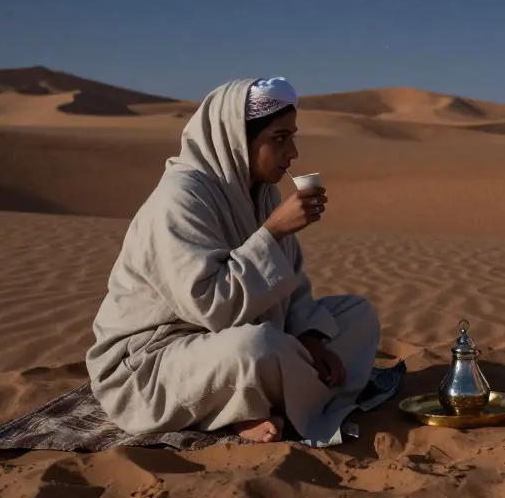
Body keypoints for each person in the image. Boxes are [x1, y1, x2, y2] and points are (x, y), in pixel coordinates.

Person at [85, 77, 381, 446]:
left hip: (244, 334)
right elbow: (211, 305)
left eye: (293, 136)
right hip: (156, 362)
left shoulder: (263, 195)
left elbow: (290, 286)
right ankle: (255, 407)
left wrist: (311, 337)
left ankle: (273, 397)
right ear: (238, 139)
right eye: (279, 139)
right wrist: (271, 233)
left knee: (357, 316)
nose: (293, 152)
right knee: (255, 350)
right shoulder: (180, 199)